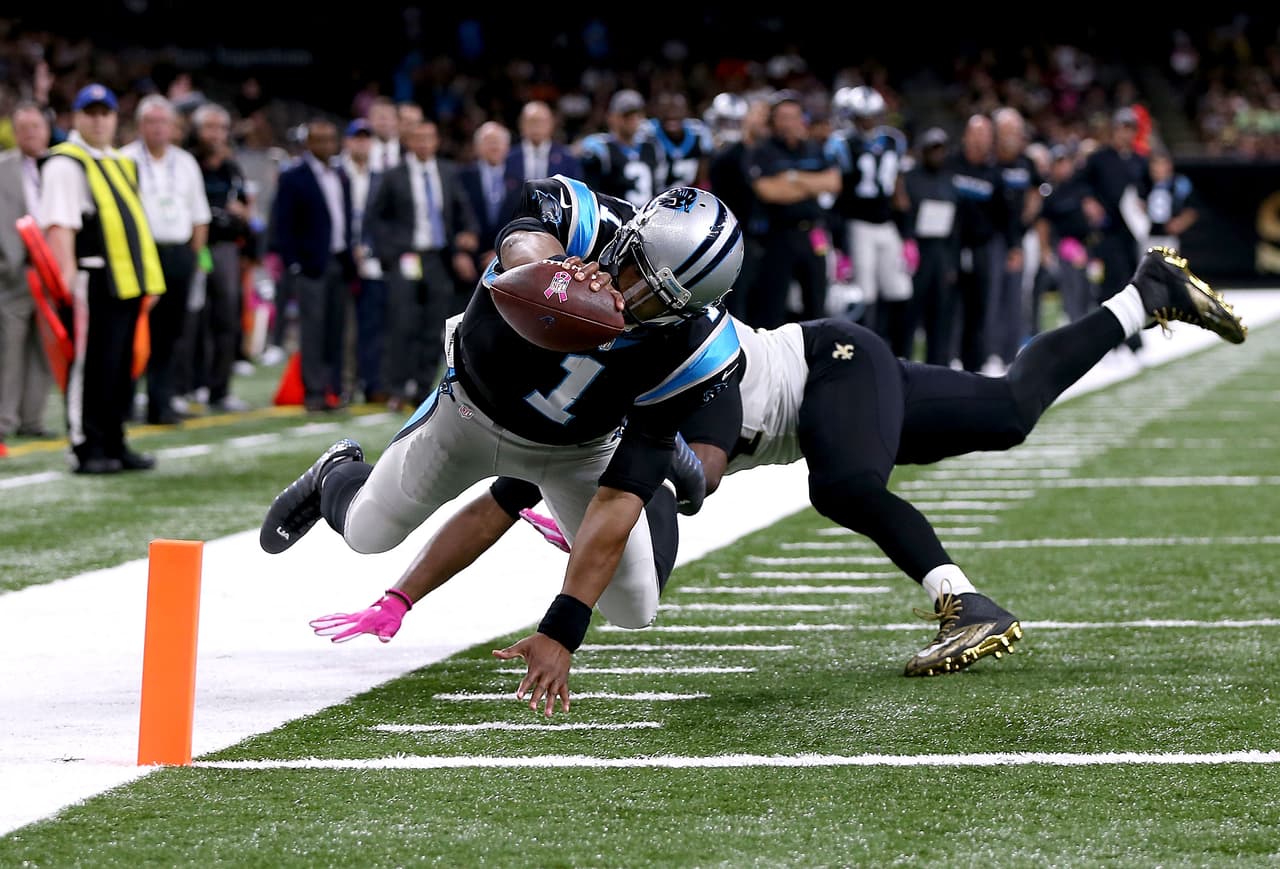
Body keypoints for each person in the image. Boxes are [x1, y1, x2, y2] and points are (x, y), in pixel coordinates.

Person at [331, 245, 1248, 680]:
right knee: (1008, 412)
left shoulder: (689, 363)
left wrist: (606, 507)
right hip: (826, 391)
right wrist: (407, 593)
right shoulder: (609, 357)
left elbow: (693, 476)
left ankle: (964, 599)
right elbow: (514, 486)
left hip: (830, 370)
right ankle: (1145, 295)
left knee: (842, 486)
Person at [260, 181, 745, 716]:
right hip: (468, 414)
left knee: (634, 608)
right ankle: (336, 471)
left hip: (580, 450)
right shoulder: (586, 220)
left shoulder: (700, 349)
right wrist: (554, 274)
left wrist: (561, 631)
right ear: (629, 238)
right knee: (366, 533)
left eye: (654, 296)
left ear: (688, 308)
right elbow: (520, 240)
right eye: (634, 269)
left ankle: (658, 469)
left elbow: (617, 500)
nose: (629, 296)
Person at [38, 83, 166, 474]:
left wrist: (148, 280)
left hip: (126, 281)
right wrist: (65, 279)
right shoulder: (66, 162)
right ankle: (86, 446)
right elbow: (60, 224)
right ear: (76, 117)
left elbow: (134, 224)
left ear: (115, 118)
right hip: (90, 279)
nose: (98, 121)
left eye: (105, 113)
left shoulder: (119, 161)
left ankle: (114, 440)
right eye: (90, 113)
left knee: (120, 367)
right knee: (90, 367)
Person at [366, 119, 479, 411]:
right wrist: (389, 253)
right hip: (406, 257)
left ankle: (422, 387)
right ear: (409, 142)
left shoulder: (447, 172)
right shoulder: (393, 175)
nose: (424, 143)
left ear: (436, 141)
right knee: (402, 323)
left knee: (434, 325)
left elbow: (463, 210)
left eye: (429, 138)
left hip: (438, 258)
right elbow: (375, 217)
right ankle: (396, 388)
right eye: (418, 138)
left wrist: (468, 234)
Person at [120, 94, 212, 425]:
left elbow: (199, 214)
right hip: (137, 254)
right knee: (131, 331)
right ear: (139, 125)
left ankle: (162, 403)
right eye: (151, 122)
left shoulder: (185, 162)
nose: (157, 128)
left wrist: (194, 257)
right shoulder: (125, 159)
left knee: (170, 333)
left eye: (163, 122)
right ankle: (123, 404)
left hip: (177, 253)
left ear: (173, 127)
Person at [270, 118, 355, 413]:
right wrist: (293, 263)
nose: (326, 145)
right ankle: (315, 392)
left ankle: (333, 389)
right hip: (311, 265)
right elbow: (283, 224)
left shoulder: (340, 175)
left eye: (330, 139)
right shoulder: (294, 176)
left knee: (335, 329)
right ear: (308, 143)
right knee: (313, 331)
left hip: (339, 260)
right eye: (320, 140)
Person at [825, 85, 913, 356]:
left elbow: (898, 189)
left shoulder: (893, 140)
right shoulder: (842, 143)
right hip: (858, 223)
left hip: (886, 224)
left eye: (873, 115)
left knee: (900, 289)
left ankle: (898, 351)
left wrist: (907, 233)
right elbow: (835, 193)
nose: (869, 121)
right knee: (865, 294)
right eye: (864, 116)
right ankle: (867, 352)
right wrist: (838, 241)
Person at [745, 90, 842, 329]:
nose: (789, 123)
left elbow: (833, 183)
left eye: (794, 117)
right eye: (783, 117)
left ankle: (813, 351)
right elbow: (768, 191)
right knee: (772, 306)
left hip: (813, 234)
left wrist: (791, 178)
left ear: (802, 120)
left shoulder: (814, 148)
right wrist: (812, 185)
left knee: (816, 304)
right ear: (773, 121)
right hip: (779, 235)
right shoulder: (762, 151)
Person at [0, 101, 54, 454]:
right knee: (9, 349)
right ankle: (3, 421)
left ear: (47, 130)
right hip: (13, 273)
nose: (30, 134)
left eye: (36, 127)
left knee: (44, 349)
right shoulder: (2, 168)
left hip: (52, 274)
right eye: (23, 128)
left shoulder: (60, 166)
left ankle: (33, 419)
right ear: (15, 133)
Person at [902, 126, 960, 365]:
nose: (937, 155)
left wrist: (953, 263)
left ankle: (938, 366)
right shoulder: (909, 178)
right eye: (933, 149)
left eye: (941, 150)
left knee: (940, 314)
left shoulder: (949, 179)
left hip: (941, 251)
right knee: (909, 313)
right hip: (916, 251)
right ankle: (903, 363)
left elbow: (956, 224)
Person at [578, 90, 661, 208]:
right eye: (627, 116)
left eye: (637, 115)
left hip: (648, 215)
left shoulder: (651, 147)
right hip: (614, 216)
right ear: (612, 117)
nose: (633, 120)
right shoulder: (600, 150)